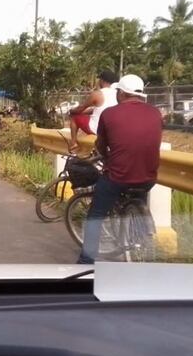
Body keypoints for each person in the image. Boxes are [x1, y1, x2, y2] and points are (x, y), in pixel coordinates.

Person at [77, 74, 162, 264]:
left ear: (122, 93)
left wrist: (107, 158)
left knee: (96, 214)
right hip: (148, 177)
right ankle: (141, 242)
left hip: (118, 177)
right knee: (138, 196)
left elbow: (101, 144)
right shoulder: (155, 113)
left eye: (117, 92)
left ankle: (85, 262)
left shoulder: (110, 114)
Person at [69, 70, 119, 152]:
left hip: (97, 130)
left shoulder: (97, 94)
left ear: (102, 80)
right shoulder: (119, 94)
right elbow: (99, 109)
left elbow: (81, 108)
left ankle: (73, 143)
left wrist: (71, 111)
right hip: (113, 130)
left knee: (74, 117)